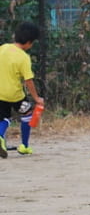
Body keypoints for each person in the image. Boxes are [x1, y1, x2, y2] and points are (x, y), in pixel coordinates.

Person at [0, 21, 45, 157]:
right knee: (27, 115)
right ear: (29, 42)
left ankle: (0, 137)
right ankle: (24, 145)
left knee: (3, 118)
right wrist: (37, 98)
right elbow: (28, 81)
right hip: (15, 94)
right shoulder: (23, 57)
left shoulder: (3, 48)